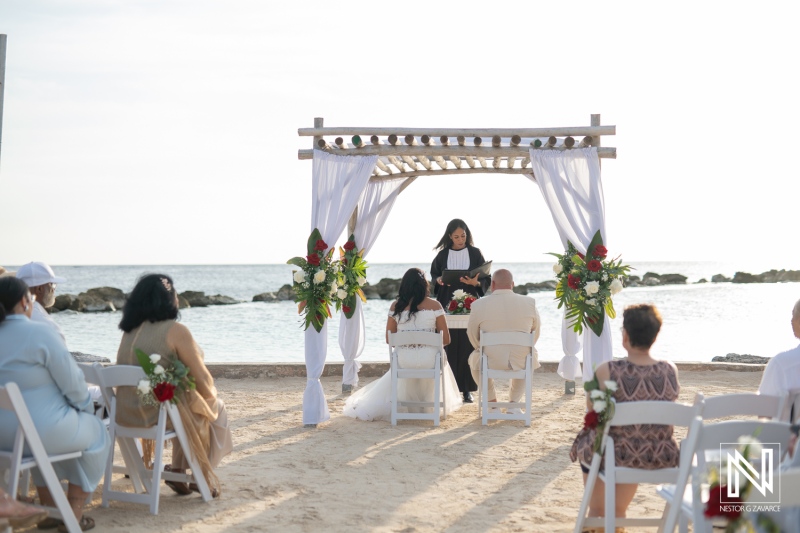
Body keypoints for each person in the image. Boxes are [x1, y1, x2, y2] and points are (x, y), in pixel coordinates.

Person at [0, 276, 110, 532]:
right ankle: (73, 514)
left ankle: (48, 509)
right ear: (26, 301)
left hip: (3, 437)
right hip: (38, 432)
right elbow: (73, 383)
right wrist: (84, 409)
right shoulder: (40, 332)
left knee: (46, 438)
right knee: (97, 434)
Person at [115, 274, 232, 497]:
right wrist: (209, 394)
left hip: (123, 412)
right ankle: (203, 475)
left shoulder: (129, 330)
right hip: (153, 414)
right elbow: (204, 380)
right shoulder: (175, 330)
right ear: (169, 299)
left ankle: (177, 470)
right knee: (210, 405)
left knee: (182, 400)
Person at [569, 304, 680, 523]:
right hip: (659, 454)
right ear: (655, 336)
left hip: (617, 454)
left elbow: (593, 408)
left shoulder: (608, 370)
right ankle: (617, 515)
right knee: (633, 441)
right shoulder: (669, 370)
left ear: (625, 335)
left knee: (592, 442)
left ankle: (597, 514)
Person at [343, 268, 463, 421]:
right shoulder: (435, 305)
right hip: (430, 361)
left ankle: (410, 404)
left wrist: (409, 345)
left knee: (405, 356)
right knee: (438, 355)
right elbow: (446, 339)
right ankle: (427, 405)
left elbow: (389, 339)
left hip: (404, 361)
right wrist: (424, 345)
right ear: (424, 285)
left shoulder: (396, 306)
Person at [430, 218, 491, 403]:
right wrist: (439, 281)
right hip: (447, 302)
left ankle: (467, 390)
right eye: (456, 236)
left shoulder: (475, 253)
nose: (460, 239)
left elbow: (485, 277)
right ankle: (449, 388)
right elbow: (434, 277)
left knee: (468, 344)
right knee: (448, 343)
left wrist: (476, 282)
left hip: (471, 301)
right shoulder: (442, 256)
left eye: (463, 236)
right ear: (450, 236)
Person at [466, 269, 540, 414]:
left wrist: (479, 348)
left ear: (492, 284)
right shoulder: (529, 303)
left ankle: (492, 404)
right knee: (529, 356)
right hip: (520, 358)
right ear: (512, 284)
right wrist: (526, 345)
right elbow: (535, 332)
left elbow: (471, 334)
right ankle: (513, 404)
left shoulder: (478, 305)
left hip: (490, 359)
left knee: (474, 359)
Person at [758, 298, 800, 422]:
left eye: (794, 316)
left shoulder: (782, 364)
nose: (791, 321)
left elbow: (764, 415)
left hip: (788, 439)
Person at [15, 261, 66, 341]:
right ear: (39, 289)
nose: (54, 289)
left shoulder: (7, 317)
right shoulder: (49, 327)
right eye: (52, 284)